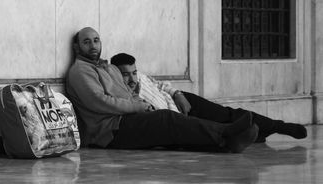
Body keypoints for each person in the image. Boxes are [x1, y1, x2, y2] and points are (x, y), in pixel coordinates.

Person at [65, 27, 259, 153]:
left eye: (96, 40)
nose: (93, 45)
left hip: (126, 120)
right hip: (109, 131)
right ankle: (226, 131)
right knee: (167, 119)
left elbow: (129, 93)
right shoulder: (80, 71)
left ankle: (228, 143)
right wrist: (138, 107)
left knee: (174, 135)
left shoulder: (110, 67)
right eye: (86, 41)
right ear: (76, 47)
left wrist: (144, 104)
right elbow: (99, 101)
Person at [110, 52, 307, 143]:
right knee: (216, 129)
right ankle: (258, 134)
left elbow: (161, 85)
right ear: (116, 74)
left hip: (183, 102)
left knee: (229, 114)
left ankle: (280, 126)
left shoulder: (141, 77)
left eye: (133, 72)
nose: (132, 78)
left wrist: (178, 94)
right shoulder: (120, 92)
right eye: (125, 74)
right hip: (177, 121)